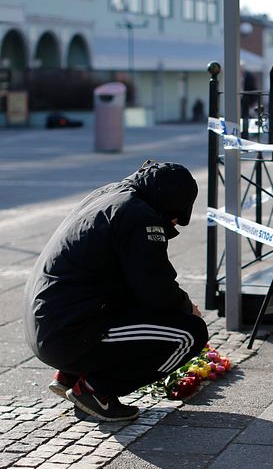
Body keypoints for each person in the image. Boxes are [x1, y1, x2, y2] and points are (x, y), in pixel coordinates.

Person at [23, 160, 208, 422]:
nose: (176, 222)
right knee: (189, 334)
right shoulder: (140, 216)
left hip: (48, 325)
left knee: (133, 299)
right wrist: (188, 309)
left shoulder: (110, 195)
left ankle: (70, 375)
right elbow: (158, 291)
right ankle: (95, 390)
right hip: (67, 334)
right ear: (168, 203)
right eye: (176, 215)